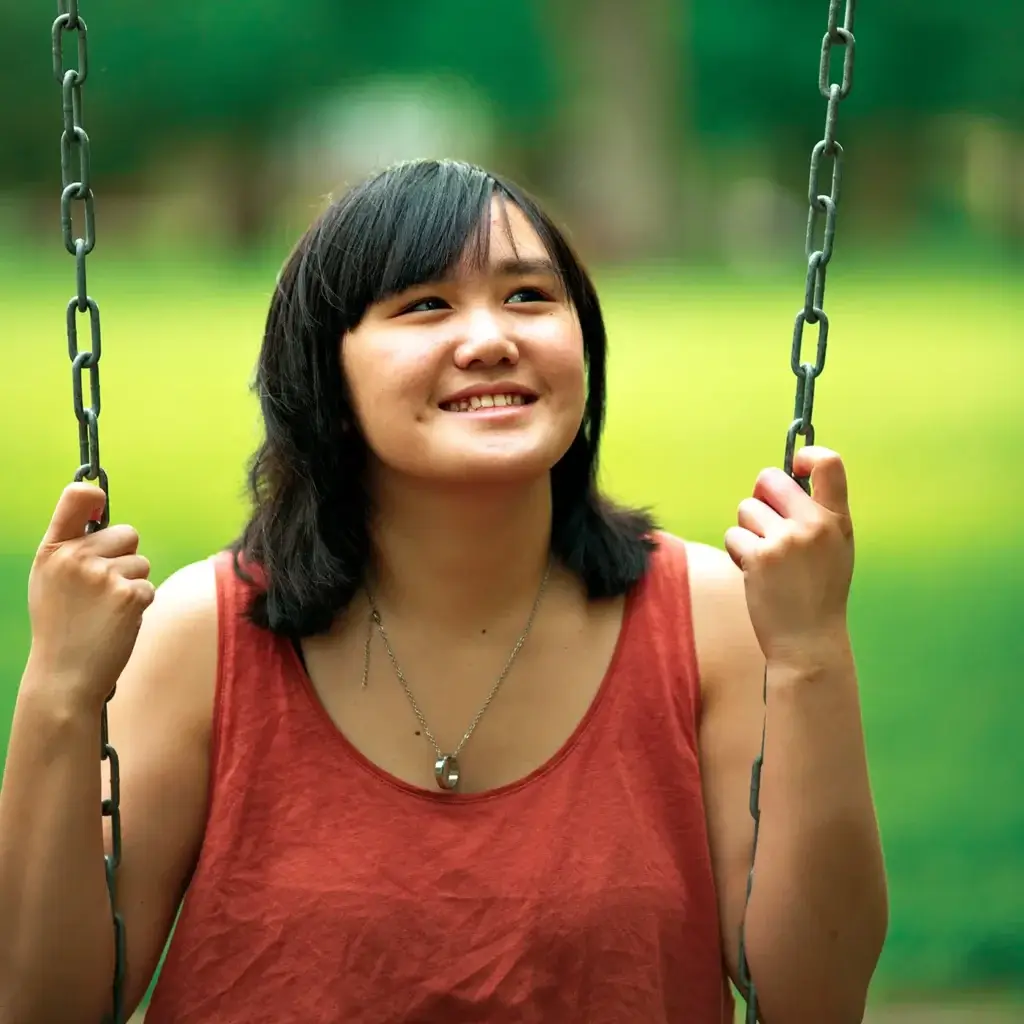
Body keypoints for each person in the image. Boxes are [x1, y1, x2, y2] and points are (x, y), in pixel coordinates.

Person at [1, 159, 887, 1024]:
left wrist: (810, 652)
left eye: (529, 296)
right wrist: (60, 691)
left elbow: (813, 1001)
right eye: (426, 305)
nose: (491, 338)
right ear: (326, 377)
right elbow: (45, 1004)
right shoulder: (205, 636)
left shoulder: (713, 616)